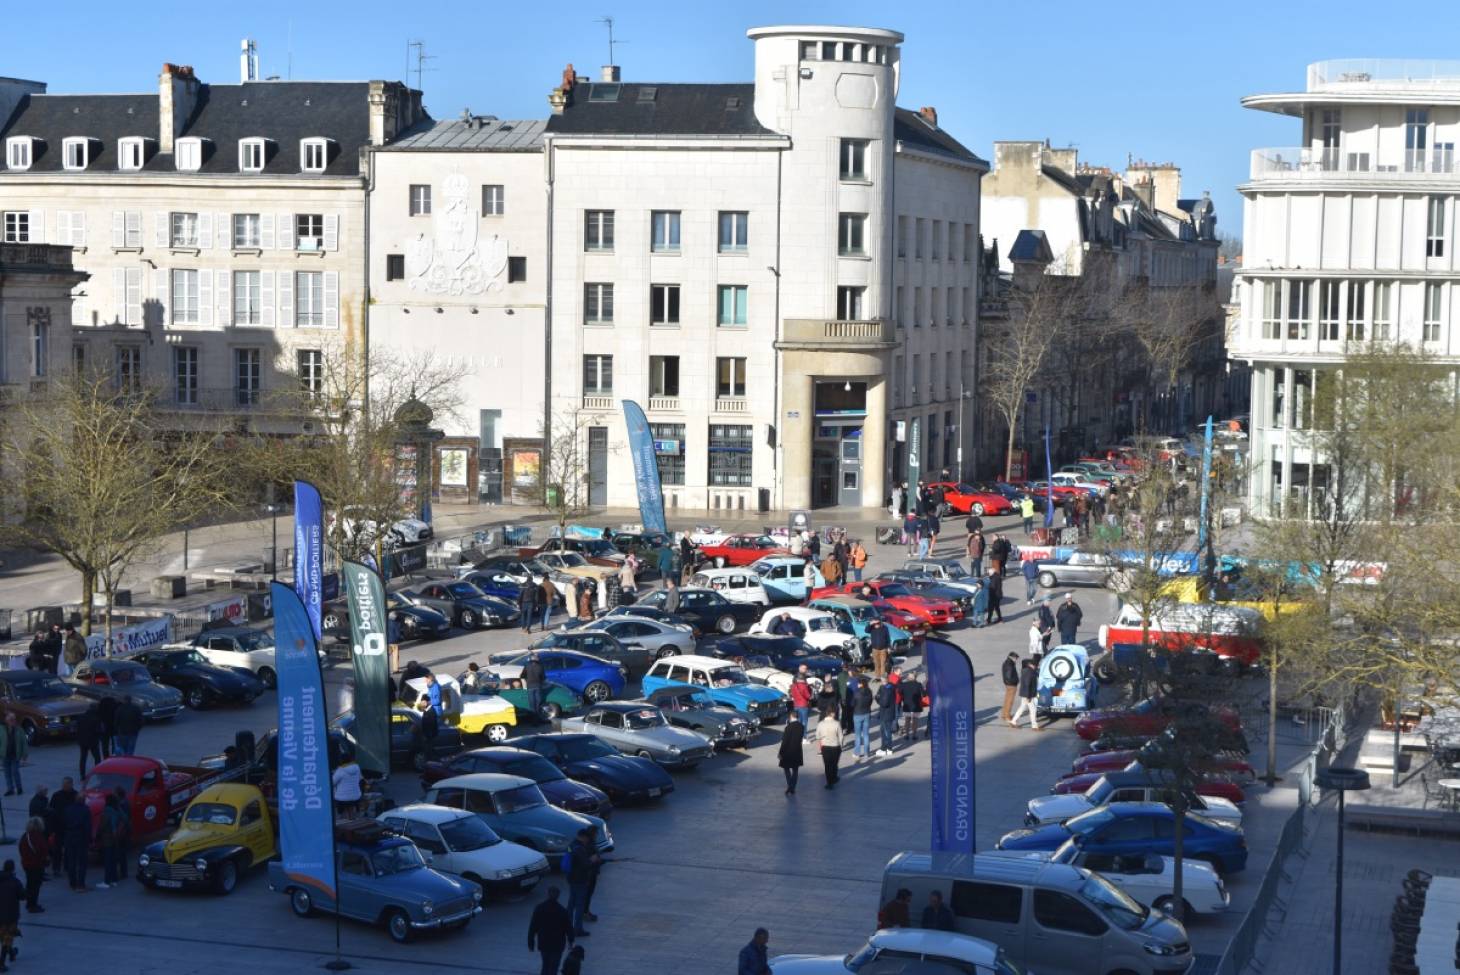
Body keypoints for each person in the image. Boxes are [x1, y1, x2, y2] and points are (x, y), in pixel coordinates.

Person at [526, 886, 574, 975]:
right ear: (558, 896)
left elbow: (533, 927)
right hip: (557, 945)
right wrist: (570, 940)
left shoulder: (539, 908)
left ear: (548, 894)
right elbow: (569, 927)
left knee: (545, 965)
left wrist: (530, 942)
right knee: (554, 967)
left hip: (544, 943)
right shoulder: (562, 911)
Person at [565, 830, 600, 936]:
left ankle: (567, 926)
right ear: (584, 837)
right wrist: (593, 860)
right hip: (580, 879)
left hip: (571, 878)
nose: (587, 841)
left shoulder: (571, 845)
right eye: (587, 839)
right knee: (580, 905)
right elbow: (586, 865)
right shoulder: (579, 848)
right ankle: (577, 929)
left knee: (571, 903)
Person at [47, 778, 76, 878]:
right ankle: (56, 868)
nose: (65, 786)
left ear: (71, 784)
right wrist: (51, 829)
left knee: (69, 848)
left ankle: (68, 866)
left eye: (67, 784)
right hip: (58, 828)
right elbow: (51, 812)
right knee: (57, 849)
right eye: (64, 784)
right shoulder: (56, 795)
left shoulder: (76, 795)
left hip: (70, 827)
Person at [62, 792, 90, 892]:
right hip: (81, 837)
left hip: (69, 836)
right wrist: (89, 839)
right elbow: (87, 827)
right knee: (82, 862)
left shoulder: (67, 809)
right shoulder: (85, 810)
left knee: (71, 861)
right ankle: (80, 884)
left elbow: (64, 823)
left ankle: (72, 882)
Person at [97, 793, 126, 888]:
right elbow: (125, 819)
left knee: (108, 860)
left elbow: (102, 826)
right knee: (113, 860)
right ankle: (114, 880)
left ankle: (107, 881)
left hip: (108, 839)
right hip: (116, 839)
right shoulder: (117, 810)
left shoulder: (107, 812)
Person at [18, 819, 45, 914]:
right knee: (35, 886)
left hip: (27, 865)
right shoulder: (39, 837)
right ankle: (32, 905)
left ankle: (29, 903)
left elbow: (21, 849)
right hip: (36, 865)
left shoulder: (25, 836)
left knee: (30, 884)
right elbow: (42, 851)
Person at [1010, 659, 1041, 731]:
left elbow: (1036, 673)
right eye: (1034, 665)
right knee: (1033, 709)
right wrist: (1028, 696)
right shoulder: (1029, 672)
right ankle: (1034, 726)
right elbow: (1027, 685)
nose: (1035, 666)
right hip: (1028, 694)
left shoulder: (1027, 670)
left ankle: (1013, 721)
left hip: (1025, 694)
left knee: (1022, 707)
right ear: (1030, 665)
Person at [817, 706, 842, 789]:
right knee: (834, 764)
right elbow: (841, 736)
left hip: (825, 747)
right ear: (831, 713)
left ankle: (829, 783)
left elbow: (817, 736)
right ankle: (834, 778)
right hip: (835, 746)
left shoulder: (820, 724)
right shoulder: (837, 723)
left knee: (827, 765)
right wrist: (841, 745)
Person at [0, 861, 20, 968]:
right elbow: (22, 895)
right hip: (11, 915)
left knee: (4, 937)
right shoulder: (15, 882)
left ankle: (12, 952)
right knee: (7, 938)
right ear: (13, 869)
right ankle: (2, 962)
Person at [0, 714, 25, 798]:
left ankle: (19, 788)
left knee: (15, 772)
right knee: (7, 773)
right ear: (6, 721)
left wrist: (24, 756)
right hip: (5, 755)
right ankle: (10, 789)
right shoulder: (1, 729)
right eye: (10, 720)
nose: (12, 721)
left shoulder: (19, 730)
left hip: (15, 755)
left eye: (13, 720)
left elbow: (24, 743)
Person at [777, 714, 803, 795]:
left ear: (791, 716)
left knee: (786, 769)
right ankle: (792, 787)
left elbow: (784, 742)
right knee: (795, 770)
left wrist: (780, 752)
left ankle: (790, 786)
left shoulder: (788, 728)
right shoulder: (801, 726)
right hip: (797, 751)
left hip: (788, 752)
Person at [76, 704, 103, 780]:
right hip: (93, 741)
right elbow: (98, 731)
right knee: (97, 758)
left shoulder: (81, 717)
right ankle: (99, 772)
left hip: (83, 741)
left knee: (83, 758)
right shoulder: (96, 718)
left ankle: (82, 775)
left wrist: (78, 739)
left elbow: (77, 729)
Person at [110, 787, 131, 881]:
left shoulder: (121, 805)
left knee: (119, 853)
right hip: (124, 832)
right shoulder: (125, 803)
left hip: (121, 832)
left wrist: (117, 832)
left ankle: (121, 873)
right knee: (122, 853)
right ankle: (123, 872)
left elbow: (123, 819)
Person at [851, 678, 873, 762]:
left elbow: (853, 703)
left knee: (858, 735)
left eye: (858, 683)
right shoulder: (869, 691)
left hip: (857, 714)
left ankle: (857, 753)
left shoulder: (856, 692)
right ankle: (867, 753)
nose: (857, 685)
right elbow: (870, 702)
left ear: (861, 684)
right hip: (866, 713)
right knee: (866, 734)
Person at [898, 673, 925, 741]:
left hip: (907, 705)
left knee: (907, 720)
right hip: (916, 705)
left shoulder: (904, 685)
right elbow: (924, 694)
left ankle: (907, 735)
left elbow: (899, 692)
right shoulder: (918, 684)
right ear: (914, 678)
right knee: (915, 721)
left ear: (908, 678)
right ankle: (914, 735)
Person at [875, 678, 898, 757]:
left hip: (886, 714)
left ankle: (886, 748)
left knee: (885, 731)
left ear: (883, 681)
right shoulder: (891, 688)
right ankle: (886, 748)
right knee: (885, 731)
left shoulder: (887, 690)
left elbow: (884, 703)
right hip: (889, 713)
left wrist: (878, 699)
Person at [522, 653, 547, 720]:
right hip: (538, 685)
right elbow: (543, 677)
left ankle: (533, 719)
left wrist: (527, 679)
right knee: (538, 703)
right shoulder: (540, 666)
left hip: (530, 686)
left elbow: (522, 675)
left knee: (532, 704)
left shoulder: (527, 666)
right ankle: (538, 718)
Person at [1000, 652, 1020, 723]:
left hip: (1008, 684)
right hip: (1011, 685)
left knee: (1006, 700)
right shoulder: (1010, 665)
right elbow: (1009, 676)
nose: (1016, 660)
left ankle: (1004, 714)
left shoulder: (1006, 662)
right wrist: (1016, 681)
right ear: (1012, 657)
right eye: (1016, 658)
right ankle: (1007, 716)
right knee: (1010, 701)